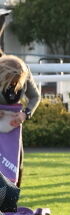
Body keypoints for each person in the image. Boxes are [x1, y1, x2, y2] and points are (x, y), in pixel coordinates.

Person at [0, 54, 40, 186]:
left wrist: (25, 114)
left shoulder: (25, 71)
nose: (14, 84)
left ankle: (11, 200)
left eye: (17, 81)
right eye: (11, 80)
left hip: (13, 126)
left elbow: (35, 97)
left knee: (17, 162)